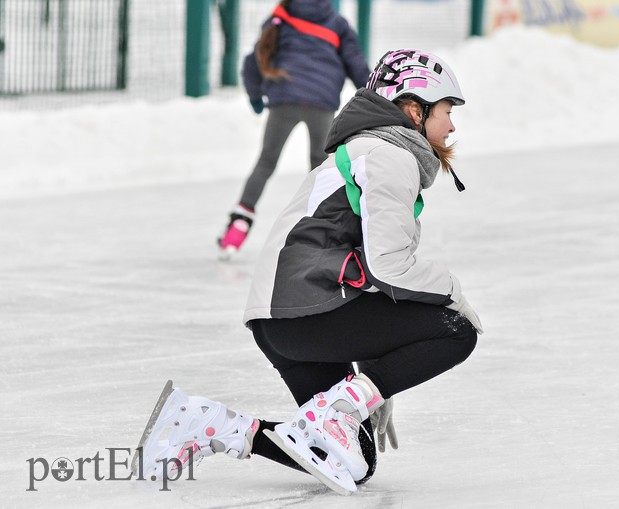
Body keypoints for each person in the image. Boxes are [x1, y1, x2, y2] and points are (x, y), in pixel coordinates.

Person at [138, 49, 482, 495]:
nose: (451, 126)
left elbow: (365, 270)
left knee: (351, 460)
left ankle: (210, 425)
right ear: (414, 109)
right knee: (457, 330)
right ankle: (339, 408)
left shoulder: (367, 149)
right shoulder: (388, 156)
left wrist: (376, 385)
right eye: (447, 111)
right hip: (301, 309)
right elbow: (390, 267)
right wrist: (454, 292)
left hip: (285, 316)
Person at [218, 0, 371, 258]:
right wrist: (371, 99)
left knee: (266, 161)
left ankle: (238, 226)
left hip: (283, 99)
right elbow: (357, 66)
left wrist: (256, 97)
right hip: (321, 104)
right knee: (321, 167)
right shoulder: (337, 24)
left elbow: (253, 61)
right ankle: (325, 230)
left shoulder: (280, 18)